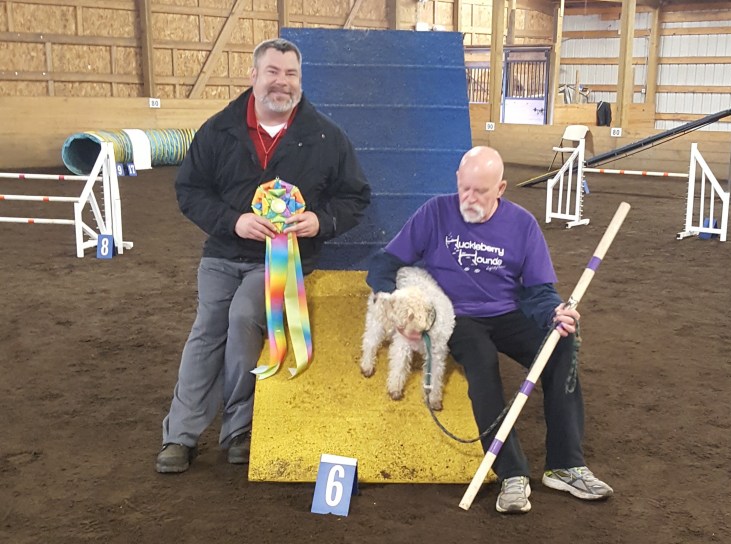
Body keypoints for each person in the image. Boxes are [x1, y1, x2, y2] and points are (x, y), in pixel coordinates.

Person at [157, 38, 371, 473]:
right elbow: (189, 191)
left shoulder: (328, 137)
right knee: (207, 329)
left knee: (241, 317)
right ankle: (180, 435)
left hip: (284, 263)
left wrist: (320, 221)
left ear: (300, 80)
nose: (282, 82)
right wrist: (232, 221)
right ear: (252, 75)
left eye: (291, 74)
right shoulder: (218, 130)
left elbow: (355, 198)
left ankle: (238, 429)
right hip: (221, 254)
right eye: (273, 72)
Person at [365, 146, 611, 513]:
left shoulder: (523, 224)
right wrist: (394, 308)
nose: (469, 198)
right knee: (481, 360)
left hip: (510, 313)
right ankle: (511, 473)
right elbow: (385, 262)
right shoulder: (435, 212)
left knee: (562, 343)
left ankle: (564, 465)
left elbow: (539, 291)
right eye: (465, 188)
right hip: (456, 316)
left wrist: (555, 313)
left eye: (480, 190)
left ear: (501, 188)